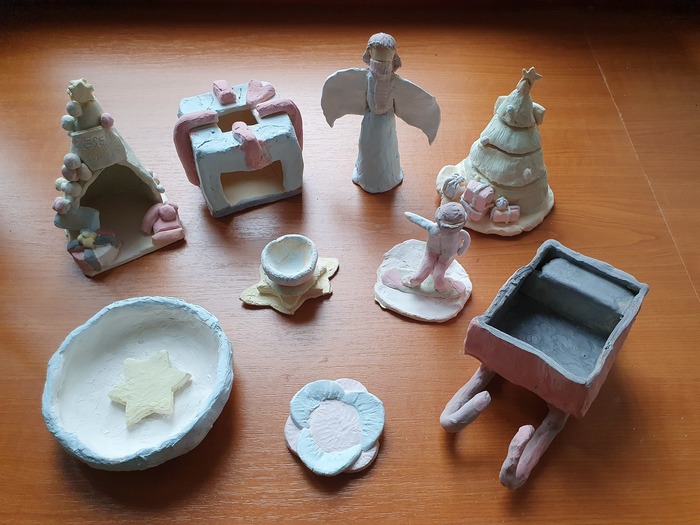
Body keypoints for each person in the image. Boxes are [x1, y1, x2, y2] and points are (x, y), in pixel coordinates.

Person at [321, 33, 440, 193]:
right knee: (369, 149)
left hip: (386, 123)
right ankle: (365, 175)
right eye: (377, 60)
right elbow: (345, 87)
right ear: (370, 55)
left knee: (385, 151)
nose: (380, 70)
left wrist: (427, 111)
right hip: (370, 121)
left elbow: (414, 98)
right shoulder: (365, 78)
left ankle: (389, 176)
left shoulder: (394, 82)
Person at [403, 203, 471, 293]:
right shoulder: (433, 228)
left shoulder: (460, 234)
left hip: (446, 258)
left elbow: (467, 240)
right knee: (420, 275)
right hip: (431, 253)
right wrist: (410, 216)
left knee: (438, 277)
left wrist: (461, 250)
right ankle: (413, 282)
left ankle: (443, 288)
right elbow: (420, 221)